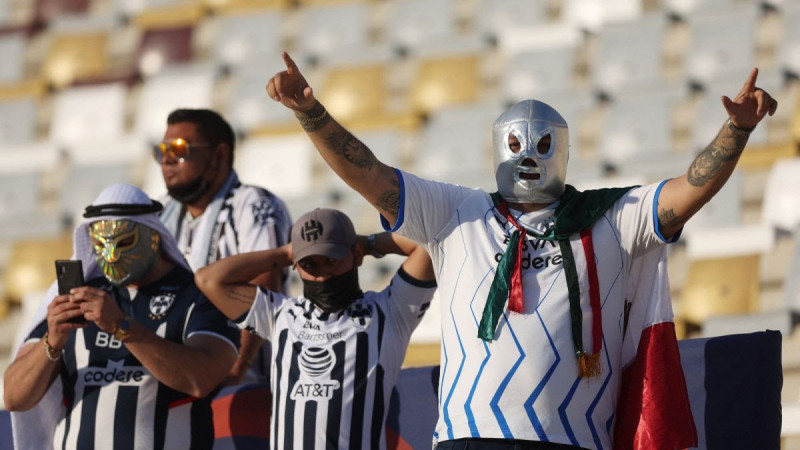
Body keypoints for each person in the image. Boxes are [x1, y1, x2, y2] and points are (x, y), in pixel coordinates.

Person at [266, 52, 778, 449]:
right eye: (515, 146)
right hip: (470, 434)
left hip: (572, 439)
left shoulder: (611, 218)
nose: (529, 158)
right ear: (495, 148)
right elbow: (369, 175)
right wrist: (311, 113)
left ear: (566, 150)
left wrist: (737, 131)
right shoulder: (456, 212)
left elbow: (688, 192)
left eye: (543, 145)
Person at [3, 183, 240, 449]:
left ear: (155, 235)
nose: (112, 256)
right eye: (101, 244)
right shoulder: (77, 297)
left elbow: (202, 379)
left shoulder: (197, 295)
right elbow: (15, 397)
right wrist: (52, 341)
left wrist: (122, 326)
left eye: (125, 242)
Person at [194, 207, 437, 449]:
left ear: (355, 254)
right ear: (296, 266)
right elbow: (208, 279)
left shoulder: (390, 312)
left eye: (331, 260)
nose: (322, 275)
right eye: (309, 264)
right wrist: (285, 253)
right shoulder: (279, 315)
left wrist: (370, 244)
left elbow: (429, 243)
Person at [155, 108, 293, 385]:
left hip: (244, 383)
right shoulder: (160, 215)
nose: (167, 159)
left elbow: (264, 283)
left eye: (180, 149)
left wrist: (238, 367)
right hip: (181, 376)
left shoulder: (253, 203)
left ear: (218, 155)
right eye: (162, 150)